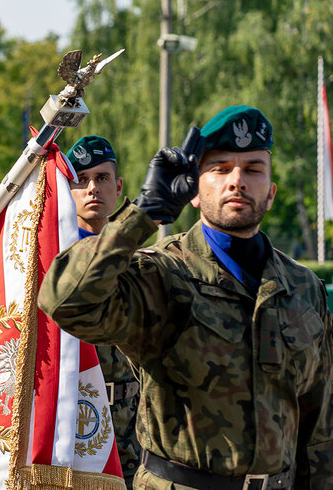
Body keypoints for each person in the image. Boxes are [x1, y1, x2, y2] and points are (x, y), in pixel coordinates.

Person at [39, 106, 333, 488]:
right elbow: (65, 299)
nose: (237, 181)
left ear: (271, 192)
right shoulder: (161, 274)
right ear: (194, 190)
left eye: (253, 169)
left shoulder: (303, 288)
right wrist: (142, 214)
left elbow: (320, 425)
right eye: (221, 168)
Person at [64, 135, 140, 487]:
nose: (92, 187)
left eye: (103, 178)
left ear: (119, 185)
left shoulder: (140, 260)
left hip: (136, 423)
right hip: (71, 424)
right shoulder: (50, 265)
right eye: (81, 179)